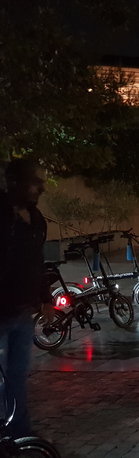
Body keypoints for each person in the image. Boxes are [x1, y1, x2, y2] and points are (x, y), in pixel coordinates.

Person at [0, 158, 54, 438]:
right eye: (36, 181)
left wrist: (45, 297)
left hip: (22, 313)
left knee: (17, 376)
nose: (41, 188)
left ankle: (18, 434)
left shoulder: (35, 219)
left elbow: (37, 261)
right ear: (15, 182)